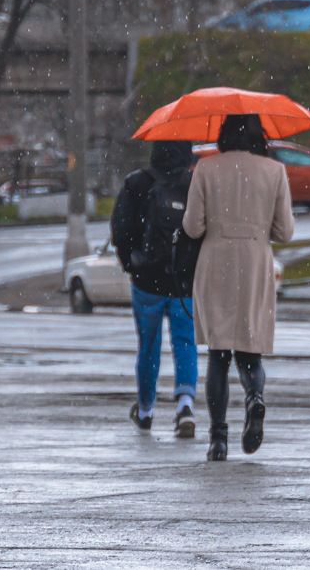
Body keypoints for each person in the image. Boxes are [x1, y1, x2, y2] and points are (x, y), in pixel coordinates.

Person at [183, 114, 295, 462]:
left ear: (223, 134)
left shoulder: (206, 168)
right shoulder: (274, 171)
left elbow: (191, 226)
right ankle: (254, 397)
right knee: (250, 349)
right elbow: (285, 231)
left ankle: (218, 439)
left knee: (219, 353)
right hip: (254, 262)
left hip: (216, 262)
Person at [111, 141, 200, 438]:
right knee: (185, 342)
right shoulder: (193, 185)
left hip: (146, 281)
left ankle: (146, 409)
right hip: (183, 282)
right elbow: (202, 230)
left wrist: (131, 263)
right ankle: (185, 404)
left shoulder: (137, 183)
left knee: (148, 346)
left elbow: (121, 229)